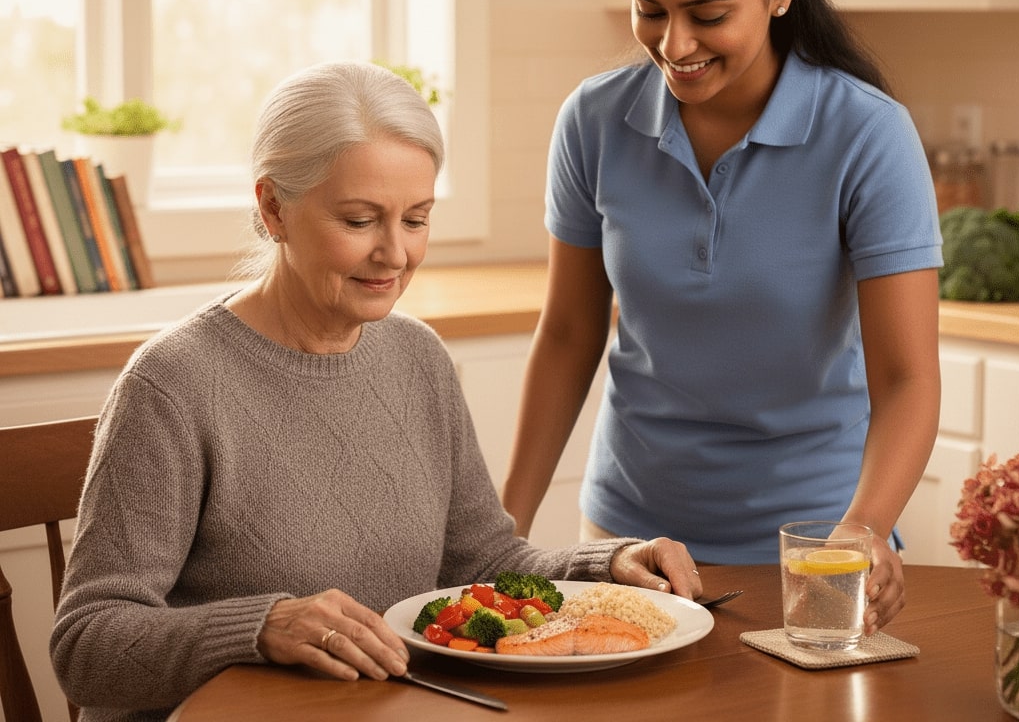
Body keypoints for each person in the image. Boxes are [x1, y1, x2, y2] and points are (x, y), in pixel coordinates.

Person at [50, 62, 701, 721]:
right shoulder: (174, 384)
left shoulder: (417, 357)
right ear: (274, 207)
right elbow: (86, 647)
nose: (395, 255)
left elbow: (486, 560)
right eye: (360, 221)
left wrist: (606, 566)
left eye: (415, 220)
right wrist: (263, 625)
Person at [500, 0, 942, 636]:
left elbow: (907, 376)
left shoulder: (867, 135)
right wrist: (500, 534)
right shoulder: (594, 122)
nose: (674, 44)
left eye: (707, 14)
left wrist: (866, 528)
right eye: (649, 9)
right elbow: (567, 334)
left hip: (815, 546)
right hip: (630, 540)